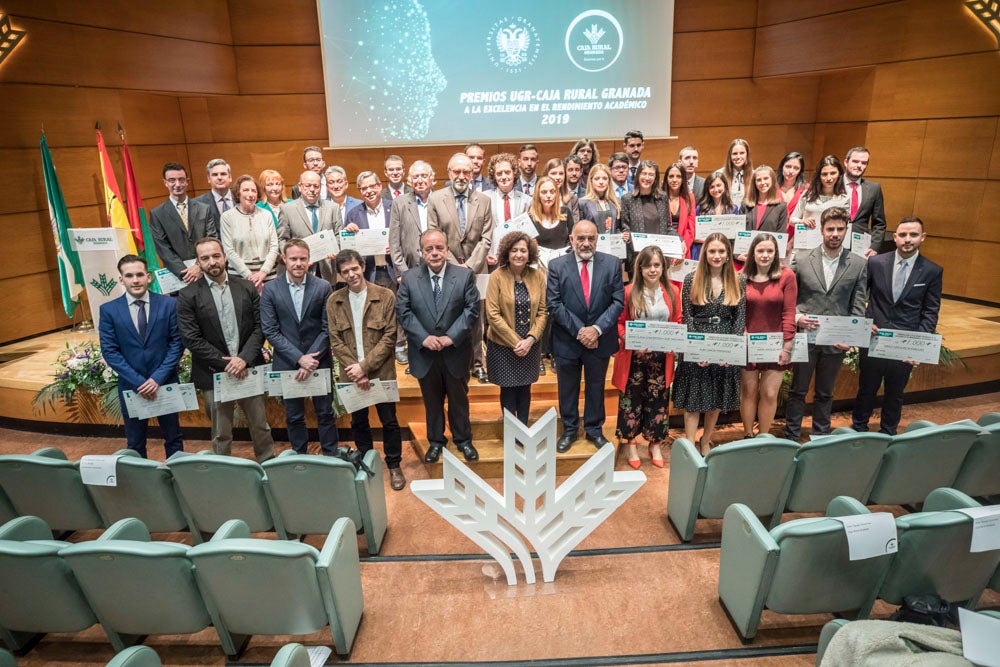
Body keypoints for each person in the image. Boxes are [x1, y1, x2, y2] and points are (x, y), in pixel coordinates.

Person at [176, 238, 275, 461]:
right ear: (198, 263)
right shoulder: (187, 295)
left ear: (225, 257)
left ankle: (268, 464)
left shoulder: (247, 286)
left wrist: (243, 359)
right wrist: (228, 364)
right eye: (205, 258)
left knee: (261, 426)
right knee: (221, 433)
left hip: (249, 368)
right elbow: (192, 338)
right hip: (213, 372)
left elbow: (261, 327)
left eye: (216, 256)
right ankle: (224, 470)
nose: (212, 262)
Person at [396, 229, 481, 463]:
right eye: (429, 249)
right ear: (421, 252)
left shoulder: (464, 276)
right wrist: (423, 338)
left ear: (447, 249)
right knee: (432, 402)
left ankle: (463, 440)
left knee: (459, 401)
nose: (434, 253)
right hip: (424, 353)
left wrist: (450, 337)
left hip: (455, 351)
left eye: (439, 248)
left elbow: (472, 310)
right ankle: (435, 442)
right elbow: (403, 312)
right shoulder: (410, 279)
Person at [852, 217, 942, 435]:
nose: (907, 239)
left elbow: (930, 311)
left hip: (904, 342)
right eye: (902, 235)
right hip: (874, 337)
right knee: (866, 389)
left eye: (913, 235)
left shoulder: (932, 271)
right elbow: (859, 296)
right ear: (895, 237)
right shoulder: (876, 263)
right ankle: (857, 431)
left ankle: (888, 434)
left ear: (922, 237)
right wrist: (865, 320)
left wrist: (918, 344)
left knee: (895, 392)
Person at [784, 207, 868, 441]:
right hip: (805, 336)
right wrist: (798, 317)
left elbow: (858, 304)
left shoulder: (858, 264)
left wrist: (851, 336)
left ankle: (821, 435)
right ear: (821, 230)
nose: (835, 233)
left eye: (840, 229)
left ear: (846, 230)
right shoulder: (801, 259)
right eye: (830, 228)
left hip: (836, 341)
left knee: (825, 392)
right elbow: (789, 298)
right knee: (797, 391)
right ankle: (791, 436)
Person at [328, 249, 406, 490]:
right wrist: (355, 371)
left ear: (362, 266)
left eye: (354, 268)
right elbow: (335, 339)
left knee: (389, 421)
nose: (351, 274)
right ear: (340, 275)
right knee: (358, 422)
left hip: (380, 372)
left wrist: (364, 367)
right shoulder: (334, 300)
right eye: (345, 272)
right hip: (351, 374)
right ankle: (365, 461)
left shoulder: (385, 295)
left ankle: (394, 464)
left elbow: (390, 336)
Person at [546, 220, 625, 452]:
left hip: (600, 340)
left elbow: (618, 302)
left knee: (596, 386)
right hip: (567, 340)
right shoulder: (557, 265)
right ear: (572, 239)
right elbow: (554, 303)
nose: (586, 243)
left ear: (597, 238)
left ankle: (594, 429)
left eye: (591, 237)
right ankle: (569, 430)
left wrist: (596, 329)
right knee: (567, 388)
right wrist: (581, 330)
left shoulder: (611, 264)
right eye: (581, 238)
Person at [99, 255, 185, 459]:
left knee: (174, 437)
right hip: (131, 386)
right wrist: (140, 382)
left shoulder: (169, 304)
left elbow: (177, 344)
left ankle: (178, 477)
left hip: (165, 382)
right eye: (129, 276)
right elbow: (110, 351)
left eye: (139, 275)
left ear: (149, 277)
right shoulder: (109, 310)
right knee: (135, 442)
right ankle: (142, 482)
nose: (135, 280)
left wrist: (157, 379)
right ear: (121, 280)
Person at [260, 239, 337, 456]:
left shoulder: (323, 287)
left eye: (303, 259)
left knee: (325, 413)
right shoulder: (270, 289)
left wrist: (310, 359)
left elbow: (327, 327)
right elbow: (271, 331)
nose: (298, 263)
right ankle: (300, 458)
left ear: (309, 260)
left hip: (319, 360)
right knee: (293, 416)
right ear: (284, 259)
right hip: (287, 362)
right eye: (293, 259)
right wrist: (299, 358)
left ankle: (331, 458)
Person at [672, 232, 746, 455]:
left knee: (715, 399)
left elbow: (740, 318)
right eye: (712, 251)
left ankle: (706, 441)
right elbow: (687, 317)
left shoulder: (738, 279)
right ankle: (690, 445)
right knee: (693, 400)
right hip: (698, 339)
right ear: (705, 253)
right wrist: (696, 351)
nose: (716, 255)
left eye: (721, 251)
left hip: (724, 342)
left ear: (727, 254)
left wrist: (729, 353)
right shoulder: (691, 279)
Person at [612, 246, 681, 469]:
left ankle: (654, 443)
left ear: (663, 267)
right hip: (635, 358)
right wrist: (629, 340)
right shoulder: (628, 292)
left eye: (657, 265)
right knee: (631, 401)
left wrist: (673, 342)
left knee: (658, 403)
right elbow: (620, 323)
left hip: (661, 359)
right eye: (648, 265)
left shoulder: (672, 293)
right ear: (639, 268)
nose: (652, 269)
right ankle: (631, 443)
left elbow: (677, 322)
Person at [428, 153, 494, 383]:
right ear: (449, 173)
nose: (462, 176)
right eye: (457, 171)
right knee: (451, 315)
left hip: (477, 271)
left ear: (472, 174)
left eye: (466, 172)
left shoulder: (484, 201)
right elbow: (434, 237)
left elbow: (486, 239)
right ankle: (456, 364)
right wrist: (457, 267)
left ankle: (478, 363)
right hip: (446, 269)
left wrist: (470, 267)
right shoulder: (436, 199)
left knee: (477, 319)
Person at [485, 232, 547, 424]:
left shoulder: (538, 276)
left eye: (523, 250)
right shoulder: (496, 276)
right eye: (514, 250)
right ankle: (512, 431)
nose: (519, 255)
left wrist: (529, 340)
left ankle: (524, 429)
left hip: (530, 343)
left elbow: (543, 311)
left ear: (530, 254)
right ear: (507, 252)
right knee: (508, 390)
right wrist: (516, 342)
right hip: (503, 345)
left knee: (525, 388)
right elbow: (492, 315)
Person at [740, 233, 797, 438]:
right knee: (748, 392)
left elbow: (789, 312)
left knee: (770, 393)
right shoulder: (741, 277)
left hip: (776, 345)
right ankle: (748, 435)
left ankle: (763, 437)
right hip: (748, 344)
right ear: (752, 253)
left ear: (776, 253)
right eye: (760, 250)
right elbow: (738, 312)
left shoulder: (787, 276)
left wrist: (787, 345)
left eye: (769, 251)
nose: (765, 255)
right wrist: (742, 332)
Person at [149, 162, 216, 286]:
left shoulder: (204, 209)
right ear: (165, 183)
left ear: (187, 181)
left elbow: (212, 239)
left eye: (181, 180)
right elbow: (163, 248)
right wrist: (186, 273)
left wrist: (199, 266)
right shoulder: (157, 213)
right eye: (172, 180)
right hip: (180, 278)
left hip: (207, 272)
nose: (177, 184)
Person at [621, 160, 688, 276]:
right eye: (644, 173)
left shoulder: (662, 198)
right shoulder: (627, 199)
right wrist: (625, 235)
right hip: (637, 259)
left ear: (655, 177)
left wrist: (680, 240)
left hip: (659, 259)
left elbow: (668, 227)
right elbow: (625, 227)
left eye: (651, 174)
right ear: (638, 175)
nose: (647, 177)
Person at [277, 171, 343, 283]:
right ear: (300, 187)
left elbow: (339, 235)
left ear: (321, 187)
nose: (312, 189)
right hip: (299, 270)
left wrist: (335, 248)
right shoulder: (287, 209)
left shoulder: (333, 208)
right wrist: (296, 256)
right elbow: (282, 239)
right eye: (308, 185)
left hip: (327, 270)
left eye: (316, 186)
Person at [220, 174, 279, 291]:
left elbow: (274, 246)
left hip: (268, 275)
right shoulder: (227, 217)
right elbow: (229, 250)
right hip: (239, 276)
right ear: (238, 193)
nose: (250, 194)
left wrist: (263, 272)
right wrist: (249, 275)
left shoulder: (266, 215)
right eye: (246, 190)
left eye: (253, 191)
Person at [344, 171, 396, 289]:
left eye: (372, 186)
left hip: (393, 271)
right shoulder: (353, 215)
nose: (369, 191)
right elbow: (349, 250)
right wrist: (349, 232)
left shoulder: (394, 208)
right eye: (364, 188)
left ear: (379, 186)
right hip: (368, 274)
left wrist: (395, 246)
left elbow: (405, 236)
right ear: (360, 191)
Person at [790, 155, 849, 254]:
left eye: (833, 173)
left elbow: (843, 227)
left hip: (829, 250)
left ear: (839, 174)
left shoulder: (844, 199)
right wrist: (802, 221)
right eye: (824, 174)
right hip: (804, 248)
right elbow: (792, 219)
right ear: (819, 176)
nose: (829, 178)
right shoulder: (808, 194)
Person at [389, 160, 436, 279]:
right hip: (410, 268)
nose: (420, 180)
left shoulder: (441, 199)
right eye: (415, 177)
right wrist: (402, 272)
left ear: (431, 178)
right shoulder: (399, 203)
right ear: (410, 181)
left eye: (424, 176)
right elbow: (394, 242)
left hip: (439, 265)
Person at [485, 153, 530, 266]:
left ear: (514, 173)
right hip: (492, 260)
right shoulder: (485, 198)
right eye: (499, 173)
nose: (504, 177)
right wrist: (485, 255)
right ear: (494, 176)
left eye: (507, 172)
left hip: (519, 260)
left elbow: (529, 234)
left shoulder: (527, 201)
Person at [843, 146, 886, 256]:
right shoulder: (833, 184)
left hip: (861, 247)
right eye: (855, 161)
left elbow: (879, 223)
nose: (859, 166)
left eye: (863, 163)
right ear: (846, 162)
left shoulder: (874, 188)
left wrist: (874, 247)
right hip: (834, 241)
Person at [742, 165, 790, 261]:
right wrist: (738, 254)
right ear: (754, 183)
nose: (762, 182)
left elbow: (780, 235)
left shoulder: (781, 207)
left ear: (772, 180)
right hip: (746, 258)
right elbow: (738, 232)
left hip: (768, 259)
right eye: (758, 180)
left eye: (766, 178)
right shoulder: (745, 205)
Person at [693, 170, 741, 260]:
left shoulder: (733, 209)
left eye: (718, 185)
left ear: (725, 186)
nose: (715, 190)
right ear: (707, 189)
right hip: (703, 251)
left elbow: (735, 237)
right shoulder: (700, 209)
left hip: (724, 253)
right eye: (712, 187)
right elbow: (694, 236)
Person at [578, 163, 623, 234]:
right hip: (591, 243)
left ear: (609, 181)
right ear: (591, 181)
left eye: (604, 178)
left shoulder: (616, 202)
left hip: (612, 243)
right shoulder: (582, 203)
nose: (601, 182)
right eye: (597, 179)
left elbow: (618, 228)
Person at [661, 162, 697, 251]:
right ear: (666, 179)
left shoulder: (690, 197)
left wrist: (682, 247)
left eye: (678, 176)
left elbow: (691, 228)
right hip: (663, 245)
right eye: (671, 176)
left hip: (683, 246)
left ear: (683, 179)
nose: (674, 180)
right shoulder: (659, 197)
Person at [193, 158, 234, 232]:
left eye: (223, 174)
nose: (219, 177)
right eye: (215, 175)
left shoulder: (241, 198)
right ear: (209, 179)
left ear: (230, 177)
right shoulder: (198, 204)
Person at [544, 157, 581, 224]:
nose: (558, 177)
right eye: (553, 173)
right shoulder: (537, 198)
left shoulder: (573, 199)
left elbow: (575, 226)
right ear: (546, 175)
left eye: (561, 174)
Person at [722, 139, 753, 206]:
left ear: (747, 155)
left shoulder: (755, 175)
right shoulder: (720, 175)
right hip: (726, 215)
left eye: (742, 153)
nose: (738, 157)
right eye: (735, 154)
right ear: (730, 156)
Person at [777, 152, 808, 217]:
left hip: (796, 227)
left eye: (796, 168)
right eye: (788, 166)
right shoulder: (772, 187)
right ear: (782, 166)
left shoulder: (806, 189)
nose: (791, 171)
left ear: (800, 171)